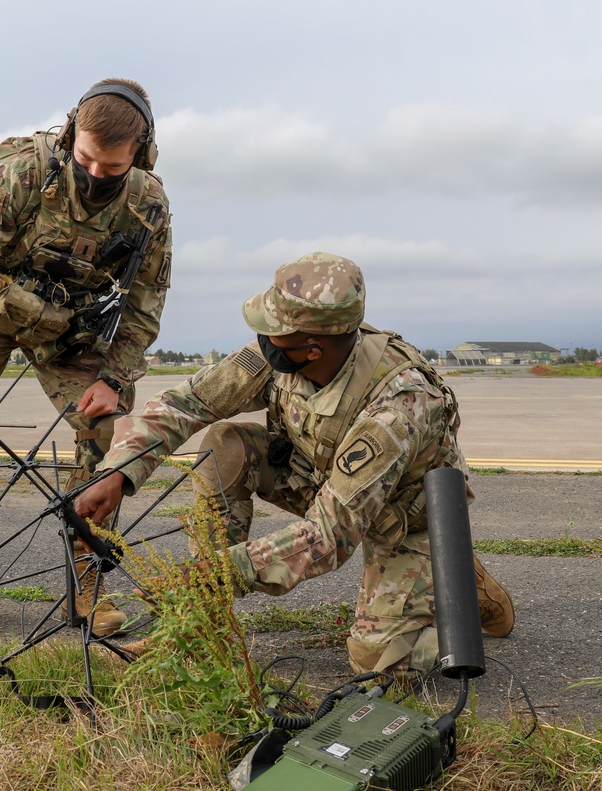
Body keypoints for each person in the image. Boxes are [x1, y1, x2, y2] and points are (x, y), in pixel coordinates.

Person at [75, 252, 514, 678]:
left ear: (313, 347)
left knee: (378, 664)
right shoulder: (279, 355)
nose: (264, 337)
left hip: (403, 519)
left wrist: (220, 573)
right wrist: (118, 470)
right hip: (325, 483)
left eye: (275, 330)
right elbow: (187, 402)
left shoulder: (397, 405)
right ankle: (199, 628)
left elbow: (328, 536)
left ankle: (455, 575)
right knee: (226, 445)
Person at [0, 78, 173, 638]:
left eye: (113, 167)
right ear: (72, 133)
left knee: (108, 430)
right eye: (85, 159)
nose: (95, 175)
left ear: (141, 155)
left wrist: (113, 375)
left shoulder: (148, 204)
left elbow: (145, 302)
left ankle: (88, 579)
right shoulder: (20, 171)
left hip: (66, 319)